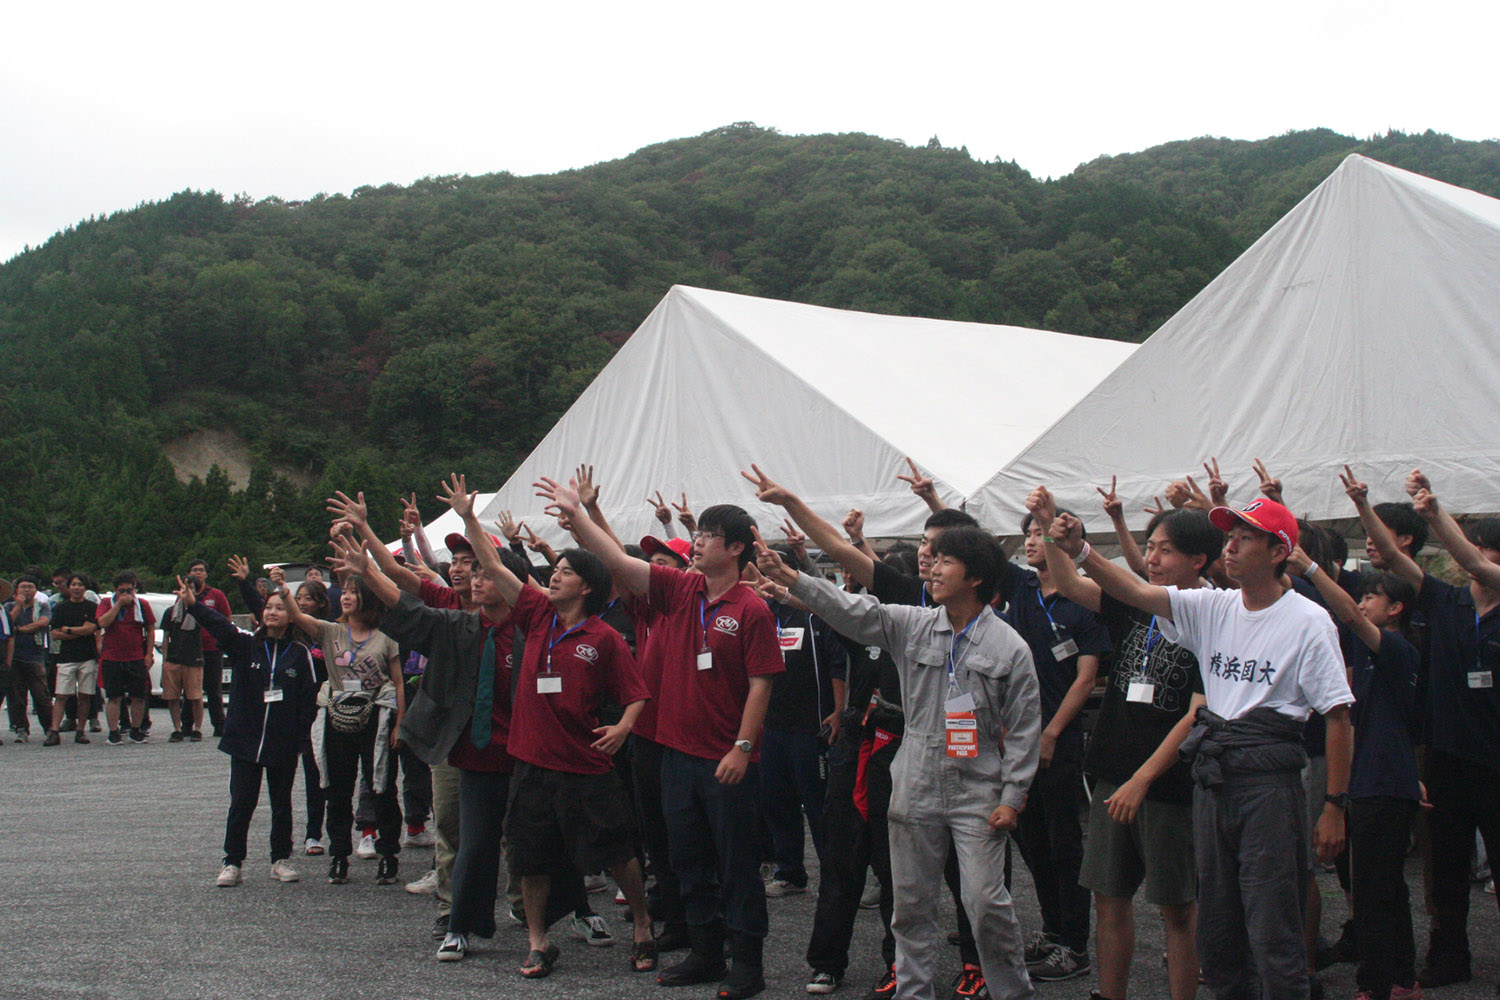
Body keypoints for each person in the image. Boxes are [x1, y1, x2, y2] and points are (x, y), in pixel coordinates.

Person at [1047, 494, 1352, 1000]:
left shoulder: (1308, 621)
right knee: (1218, 924)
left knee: (1272, 921)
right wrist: (1082, 552)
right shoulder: (1214, 606)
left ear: (1279, 551)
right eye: (1228, 538)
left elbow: (1339, 717)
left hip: (1268, 779)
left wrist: (1334, 806)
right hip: (1214, 776)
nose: (1230, 548)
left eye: (1244, 539)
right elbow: (1138, 594)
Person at [755, 518, 1043, 1000]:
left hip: (979, 788)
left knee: (986, 902)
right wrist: (795, 576)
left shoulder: (1009, 647)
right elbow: (849, 609)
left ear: (975, 577)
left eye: (947, 560)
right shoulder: (912, 624)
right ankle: (914, 991)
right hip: (915, 777)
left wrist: (1013, 797)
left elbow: (1025, 728)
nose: (933, 568)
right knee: (909, 904)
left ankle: (1011, 990)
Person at [535, 475, 784, 1000]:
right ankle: (706, 951)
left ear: (736, 547)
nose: (699, 542)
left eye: (710, 535)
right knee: (687, 860)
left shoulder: (751, 608)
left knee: (736, 866)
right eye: (701, 534)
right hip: (676, 754)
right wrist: (578, 515)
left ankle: (749, 963)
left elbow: (762, 683)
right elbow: (619, 564)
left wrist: (742, 748)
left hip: (726, 759)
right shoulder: (684, 588)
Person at [435, 476, 658, 977]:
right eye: (553, 570)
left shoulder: (603, 638)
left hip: (586, 765)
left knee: (618, 853)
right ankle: (539, 942)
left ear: (588, 586)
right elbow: (493, 564)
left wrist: (622, 728)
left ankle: (642, 925)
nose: (553, 577)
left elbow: (638, 693)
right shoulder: (535, 615)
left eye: (565, 571)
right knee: (529, 858)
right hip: (531, 764)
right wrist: (469, 519)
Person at [1033, 495, 1216, 1000]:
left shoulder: (1213, 616)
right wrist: (1049, 530)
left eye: (1165, 551)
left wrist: (1144, 779)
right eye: (1150, 548)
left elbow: (1197, 712)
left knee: (1178, 910)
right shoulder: (1136, 603)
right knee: (1109, 899)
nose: (1152, 559)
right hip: (1115, 771)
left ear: (1199, 560)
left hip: (1170, 785)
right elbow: (1069, 583)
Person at [1356, 468, 1500, 988]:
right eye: (1480, 549)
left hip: (1496, 762)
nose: (1481, 561)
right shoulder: (1449, 603)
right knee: (1446, 870)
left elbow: (1466, 559)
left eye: (1490, 552)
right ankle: (1448, 958)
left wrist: (1434, 513)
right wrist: (1363, 504)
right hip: (1446, 756)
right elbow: (1395, 559)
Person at [1291, 538, 1424, 1000]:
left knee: (1377, 890)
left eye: (1373, 597)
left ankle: (1387, 982)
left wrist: (1310, 567)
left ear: (1396, 609)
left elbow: (1345, 612)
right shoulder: (1368, 657)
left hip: (1385, 786)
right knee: (1375, 889)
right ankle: (1397, 979)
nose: (1363, 603)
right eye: (1363, 594)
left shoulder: (1398, 649)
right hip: (1370, 783)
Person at [1001, 508, 1112, 983]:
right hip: (1018, 739)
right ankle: (1051, 929)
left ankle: (1075, 945)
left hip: (1059, 740)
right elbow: (978, 554)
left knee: (1065, 843)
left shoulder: (1082, 602)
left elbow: (1087, 677)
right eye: (1027, 533)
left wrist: (1050, 734)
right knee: (1032, 839)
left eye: (1041, 534)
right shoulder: (1021, 590)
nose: (1032, 541)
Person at [185, 579, 319, 887]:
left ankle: (280, 859)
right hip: (245, 739)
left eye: (280, 608)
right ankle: (232, 861)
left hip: (282, 742)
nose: (273, 612)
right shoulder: (247, 644)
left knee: (281, 802)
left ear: (291, 615)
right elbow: (220, 626)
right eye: (269, 607)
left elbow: (307, 700)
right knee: (242, 802)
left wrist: (300, 739)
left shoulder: (300, 654)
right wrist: (193, 604)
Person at [284, 572, 405, 885]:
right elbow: (296, 615)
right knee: (337, 788)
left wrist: (400, 723)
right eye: (346, 592)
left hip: (377, 714)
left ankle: (389, 853)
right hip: (337, 713)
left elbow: (399, 680)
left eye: (354, 592)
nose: (347, 596)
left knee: (381, 786)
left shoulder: (386, 636)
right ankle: (340, 855)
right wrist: (284, 591)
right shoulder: (330, 631)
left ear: (368, 598)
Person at [758, 554, 848, 899]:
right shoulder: (763, 613)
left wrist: (838, 710)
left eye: (771, 572)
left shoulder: (812, 613)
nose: (765, 579)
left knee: (819, 805)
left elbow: (838, 664)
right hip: (773, 725)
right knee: (776, 801)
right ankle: (790, 872)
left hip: (812, 726)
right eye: (761, 572)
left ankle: (836, 875)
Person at [96, 572, 157, 745]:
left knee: (138, 696)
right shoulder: (107, 603)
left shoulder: (142, 605)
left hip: (135, 656)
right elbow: (102, 623)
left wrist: (148, 654)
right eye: (122, 590)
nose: (126, 594)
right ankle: (114, 731)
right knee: (114, 697)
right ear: (115, 591)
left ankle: (136, 729)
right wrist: (118, 606)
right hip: (112, 657)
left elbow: (150, 629)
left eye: (130, 590)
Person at [47, 574, 99, 745]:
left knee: (85, 695)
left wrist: (68, 630)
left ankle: (80, 730)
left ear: (85, 588)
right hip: (66, 657)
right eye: (74, 585)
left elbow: (91, 628)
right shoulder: (60, 608)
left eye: (80, 584)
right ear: (68, 587)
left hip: (88, 656)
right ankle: (54, 731)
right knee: (61, 694)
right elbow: (54, 634)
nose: (77, 588)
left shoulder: (92, 607)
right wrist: (79, 631)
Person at [187, 559, 233, 738]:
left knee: (214, 689)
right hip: (190, 649)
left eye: (201, 570)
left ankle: (219, 725)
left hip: (212, 646)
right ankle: (187, 725)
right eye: (194, 570)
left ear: (206, 574)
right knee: (190, 690)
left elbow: (227, 618)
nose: (198, 573)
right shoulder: (185, 594)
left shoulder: (216, 594)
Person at [5, 576, 53, 743]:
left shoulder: (42, 606)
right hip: (14, 656)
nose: (26, 590)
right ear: (16, 590)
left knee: (41, 695)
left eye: (30, 587)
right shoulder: (9, 606)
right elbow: (7, 622)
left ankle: (49, 728)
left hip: (35, 655)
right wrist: (18, 605)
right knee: (17, 696)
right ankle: (20, 728)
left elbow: (43, 623)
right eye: (23, 587)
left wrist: (20, 630)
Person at [161, 577, 206, 742]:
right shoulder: (170, 612)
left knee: (195, 696)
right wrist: (165, 660)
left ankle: (198, 728)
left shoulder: (199, 611)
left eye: (191, 588)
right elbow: (166, 637)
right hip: (173, 658)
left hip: (193, 659)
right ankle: (177, 728)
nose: (187, 591)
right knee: (172, 697)